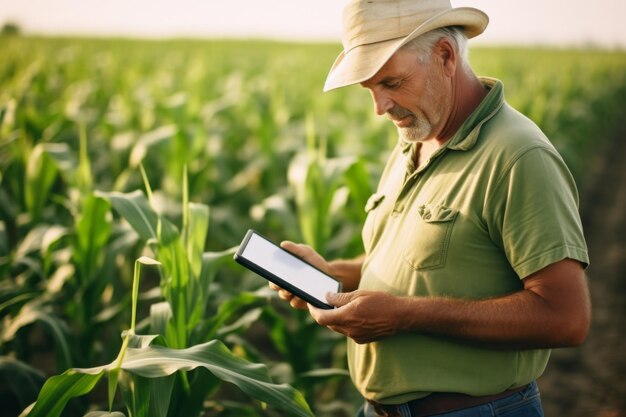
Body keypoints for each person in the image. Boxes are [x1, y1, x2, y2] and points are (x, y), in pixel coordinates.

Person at [270, 1, 591, 416]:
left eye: (392, 82)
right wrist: (334, 274)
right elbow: (418, 257)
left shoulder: (518, 157)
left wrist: (404, 316)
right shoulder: (416, 138)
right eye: (370, 88)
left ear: (445, 56)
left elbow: (565, 318)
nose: (380, 108)